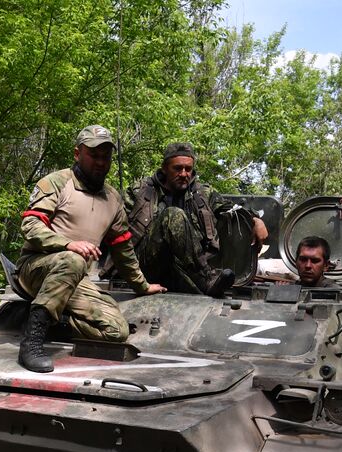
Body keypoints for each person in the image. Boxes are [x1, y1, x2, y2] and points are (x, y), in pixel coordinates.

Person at [16, 125, 166, 373]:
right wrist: (67, 244)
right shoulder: (56, 182)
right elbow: (30, 225)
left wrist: (142, 285)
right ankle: (32, 343)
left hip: (75, 278)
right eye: (93, 155)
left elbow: (122, 248)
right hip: (36, 268)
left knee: (116, 331)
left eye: (105, 156)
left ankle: (56, 319)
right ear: (77, 154)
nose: (100, 162)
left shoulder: (113, 198)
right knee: (73, 260)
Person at [124, 142, 268, 297]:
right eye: (177, 168)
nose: (184, 174)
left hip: (185, 271)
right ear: (165, 168)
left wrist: (255, 219)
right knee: (173, 215)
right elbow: (116, 221)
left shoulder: (203, 194)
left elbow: (231, 209)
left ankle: (201, 279)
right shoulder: (141, 192)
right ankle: (206, 279)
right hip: (147, 266)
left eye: (188, 169)